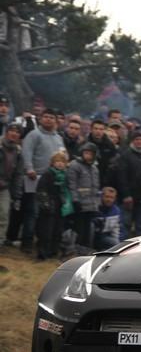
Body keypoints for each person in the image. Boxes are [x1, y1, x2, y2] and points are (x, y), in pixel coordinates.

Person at [20, 108, 65, 252]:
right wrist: (29, 168)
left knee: (47, 214)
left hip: (53, 181)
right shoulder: (34, 135)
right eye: (45, 116)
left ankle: (42, 242)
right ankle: (27, 241)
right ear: (40, 119)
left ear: (55, 120)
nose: (48, 119)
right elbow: (26, 152)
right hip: (35, 177)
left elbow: (63, 157)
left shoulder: (58, 138)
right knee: (33, 211)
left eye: (51, 117)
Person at [35, 151, 73, 260]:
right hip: (49, 206)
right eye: (57, 161)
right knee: (46, 230)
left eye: (62, 162)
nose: (60, 164)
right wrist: (45, 203)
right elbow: (41, 189)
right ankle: (43, 253)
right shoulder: (48, 174)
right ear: (52, 163)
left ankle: (53, 252)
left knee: (57, 230)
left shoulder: (65, 175)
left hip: (60, 206)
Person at [116, 130, 141, 237]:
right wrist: (126, 195)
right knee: (125, 225)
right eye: (137, 139)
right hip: (129, 198)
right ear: (132, 141)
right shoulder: (125, 156)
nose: (139, 142)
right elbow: (121, 177)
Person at [67, 143, 101, 255]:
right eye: (85, 153)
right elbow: (72, 184)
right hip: (79, 203)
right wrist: (75, 200)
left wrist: (97, 204)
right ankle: (73, 250)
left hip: (91, 205)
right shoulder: (75, 165)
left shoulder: (95, 168)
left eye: (90, 153)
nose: (87, 155)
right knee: (78, 229)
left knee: (88, 229)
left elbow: (96, 187)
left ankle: (85, 250)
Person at [0, 123, 22, 242]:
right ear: (7, 132)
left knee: (3, 214)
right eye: (12, 131)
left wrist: (16, 195)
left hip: (5, 186)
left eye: (17, 132)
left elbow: (18, 175)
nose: (14, 134)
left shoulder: (18, 151)